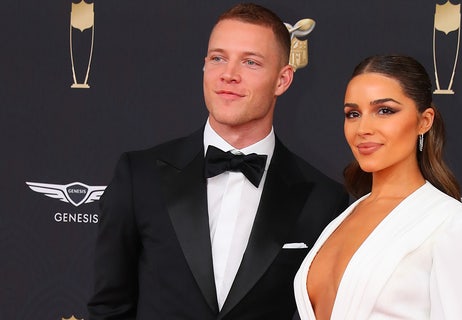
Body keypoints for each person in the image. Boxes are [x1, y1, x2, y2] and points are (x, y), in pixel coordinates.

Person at [87, 3, 349, 319]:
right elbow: (108, 307)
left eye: (250, 62)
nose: (228, 75)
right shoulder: (139, 175)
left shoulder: (323, 199)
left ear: (282, 80)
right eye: (218, 58)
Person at [294, 54, 462, 319]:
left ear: (424, 121)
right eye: (353, 114)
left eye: (385, 111)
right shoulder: (343, 218)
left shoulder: (457, 223)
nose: (363, 128)